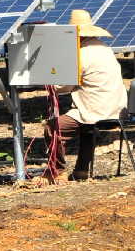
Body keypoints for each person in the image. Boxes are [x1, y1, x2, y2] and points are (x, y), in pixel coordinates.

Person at [40, 9, 127, 183]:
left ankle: (57, 172)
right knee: (87, 129)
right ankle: (81, 171)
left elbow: (65, 86)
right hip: (117, 110)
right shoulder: (104, 48)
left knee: (52, 127)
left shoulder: (81, 54)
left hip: (95, 111)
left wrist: (48, 82)